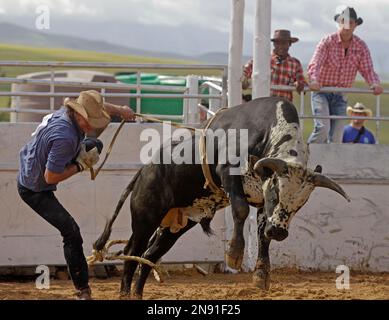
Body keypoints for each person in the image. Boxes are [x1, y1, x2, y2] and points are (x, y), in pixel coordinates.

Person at [17, 90, 135, 300]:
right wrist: (81, 165)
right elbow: (51, 176)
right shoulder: (65, 137)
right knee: (71, 232)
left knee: (94, 144)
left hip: (31, 166)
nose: (94, 125)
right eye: (91, 121)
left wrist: (122, 111)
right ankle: (83, 290)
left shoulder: (68, 113)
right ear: (79, 116)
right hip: (34, 188)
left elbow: (100, 107)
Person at [307, 7, 383, 144]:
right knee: (322, 128)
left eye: (351, 22)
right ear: (339, 22)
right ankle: (304, 158)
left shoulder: (360, 46)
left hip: (341, 95)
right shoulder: (327, 42)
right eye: (344, 21)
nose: (347, 25)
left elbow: (368, 69)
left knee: (337, 136)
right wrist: (314, 79)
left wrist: (374, 83)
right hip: (322, 91)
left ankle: (330, 164)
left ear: (355, 25)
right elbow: (316, 63)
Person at [241, 29, 307, 102]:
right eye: (278, 43)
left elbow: (303, 84)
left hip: (284, 105)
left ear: (290, 44)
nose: (281, 46)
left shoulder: (295, 63)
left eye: (284, 43)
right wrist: (244, 79)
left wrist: (299, 84)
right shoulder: (262, 59)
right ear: (274, 44)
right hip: (264, 103)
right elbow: (245, 70)